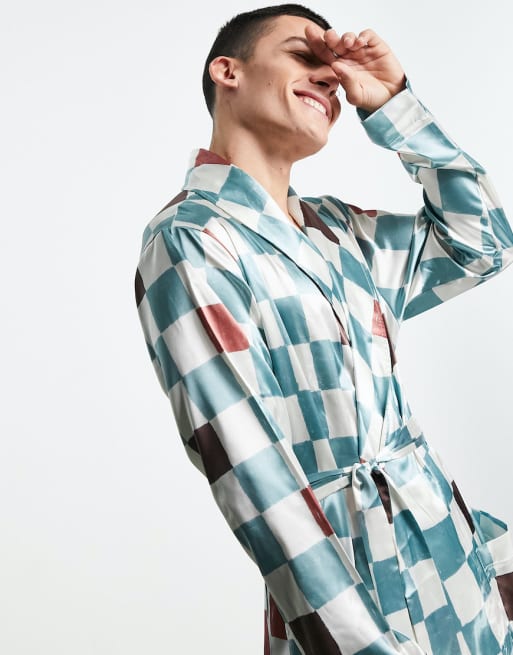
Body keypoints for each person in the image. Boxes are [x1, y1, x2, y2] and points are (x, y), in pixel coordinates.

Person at [134, 4, 513, 654]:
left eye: (334, 75)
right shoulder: (192, 240)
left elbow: (482, 243)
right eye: (304, 57)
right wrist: (358, 644)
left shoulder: (340, 232)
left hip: (455, 567)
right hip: (349, 591)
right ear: (228, 71)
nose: (329, 80)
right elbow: (251, 470)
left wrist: (393, 103)